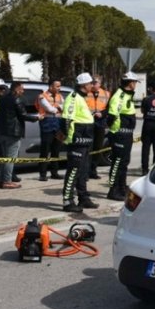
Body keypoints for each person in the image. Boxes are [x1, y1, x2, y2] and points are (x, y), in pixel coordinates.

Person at [61, 73, 99, 212]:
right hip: (76, 141)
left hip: (85, 141)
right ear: (84, 85)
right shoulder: (73, 98)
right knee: (73, 171)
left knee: (83, 172)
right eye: (90, 83)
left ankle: (83, 198)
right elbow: (66, 120)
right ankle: (67, 201)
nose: (92, 85)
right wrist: (68, 138)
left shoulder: (82, 98)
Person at [0, 81, 38, 189]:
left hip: (2, 132)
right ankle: (7, 181)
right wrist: (37, 118)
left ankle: (2, 180)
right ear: (16, 89)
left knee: (5, 158)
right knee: (10, 158)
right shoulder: (16, 99)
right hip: (13, 133)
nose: (23, 91)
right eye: (22, 89)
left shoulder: (2, 99)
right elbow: (23, 115)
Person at [106, 72, 139, 200]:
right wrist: (115, 131)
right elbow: (112, 115)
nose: (135, 85)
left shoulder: (127, 95)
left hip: (127, 135)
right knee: (117, 163)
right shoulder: (119, 96)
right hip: (119, 135)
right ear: (130, 83)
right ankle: (113, 190)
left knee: (124, 163)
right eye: (135, 82)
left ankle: (121, 187)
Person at [35, 79, 64, 181]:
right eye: (57, 86)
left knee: (56, 150)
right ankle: (42, 174)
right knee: (45, 150)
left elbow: (64, 106)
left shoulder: (60, 96)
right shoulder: (42, 96)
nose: (59, 88)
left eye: (59, 86)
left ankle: (54, 172)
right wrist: (58, 108)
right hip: (47, 124)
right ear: (51, 86)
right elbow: (49, 109)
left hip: (58, 125)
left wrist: (58, 108)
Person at [85, 75, 110, 179]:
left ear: (100, 84)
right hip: (89, 121)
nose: (94, 84)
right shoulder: (86, 93)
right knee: (88, 147)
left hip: (100, 122)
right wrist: (92, 113)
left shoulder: (106, 93)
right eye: (93, 82)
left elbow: (109, 108)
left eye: (96, 82)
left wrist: (102, 114)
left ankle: (93, 171)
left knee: (98, 147)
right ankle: (85, 172)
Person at [140, 83, 155, 175]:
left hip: (148, 124)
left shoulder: (146, 99)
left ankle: (144, 169)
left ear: (151, 88)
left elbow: (142, 111)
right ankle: (154, 169)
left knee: (145, 148)